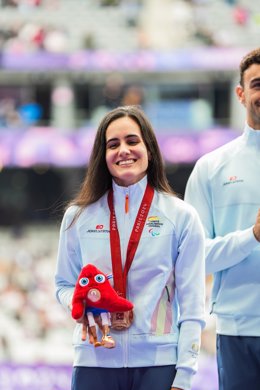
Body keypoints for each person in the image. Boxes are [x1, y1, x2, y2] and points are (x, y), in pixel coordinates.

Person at [55, 105, 205, 390]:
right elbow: (63, 284)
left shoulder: (181, 216)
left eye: (132, 141)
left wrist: (184, 376)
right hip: (94, 361)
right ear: (104, 156)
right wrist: (82, 304)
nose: (123, 150)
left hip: (158, 364)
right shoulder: (77, 217)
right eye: (113, 144)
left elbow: (193, 305)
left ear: (148, 147)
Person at [184, 48, 260, 390]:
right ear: (241, 94)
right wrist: (252, 236)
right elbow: (193, 257)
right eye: (257, 84)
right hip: (238, 329)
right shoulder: (212, 167)